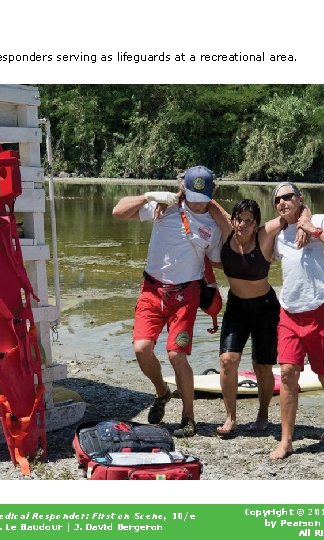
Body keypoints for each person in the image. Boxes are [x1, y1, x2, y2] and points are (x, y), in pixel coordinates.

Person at [111, 165, 223, 437]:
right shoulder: (164, 207)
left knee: (176, 354)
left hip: (185, 295)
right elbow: (118, 212)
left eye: (203, 200)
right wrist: (149, 196)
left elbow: (219, 261)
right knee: (141, 348)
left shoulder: (213, 223)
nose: (198, 206)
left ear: (211, 195)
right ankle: (162, 391)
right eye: (193, 198)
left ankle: (188, 418)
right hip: (152, 290)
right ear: (182, 188)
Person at [207, 199, 309, 437]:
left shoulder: (264, 236)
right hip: (236, 307)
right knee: (227, 361)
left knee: (262, 367)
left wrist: (304, 221)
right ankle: (231, 417)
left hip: (265, 309)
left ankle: (262, 415)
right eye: (239, 219)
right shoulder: (227, 231)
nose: (242, 224)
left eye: (249, 220)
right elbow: (207, 202)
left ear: (256, 224)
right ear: (233, 220)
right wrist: (175, 199)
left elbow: (294, 211)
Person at [269, 181, 324, 459]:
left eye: (287, 197)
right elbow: (255, 242)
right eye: (277, 200)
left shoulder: (320, 220)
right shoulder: (280, 233)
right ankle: (286, 439)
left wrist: (312, 229)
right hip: (290, 313)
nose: (282, 202)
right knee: (287, 373)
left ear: (300, 198)